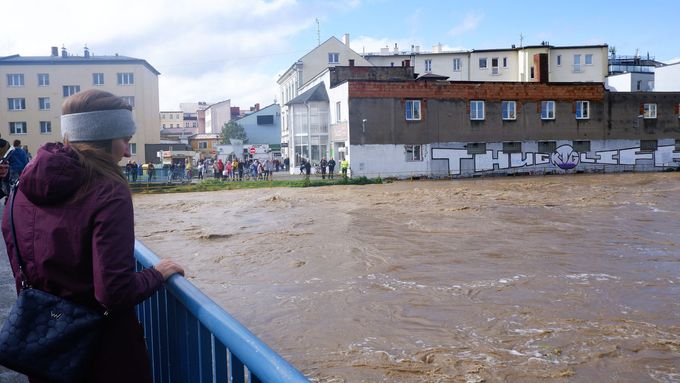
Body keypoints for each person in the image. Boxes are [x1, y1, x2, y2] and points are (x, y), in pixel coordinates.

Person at [1, 89, 185, 383]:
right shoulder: (108, 191)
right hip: (103, 352)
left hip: (47, 346)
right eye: (125, 140)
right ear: (104, 140)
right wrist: (157, 274)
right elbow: (114, 293)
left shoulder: (20, 188)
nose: (127, 152)